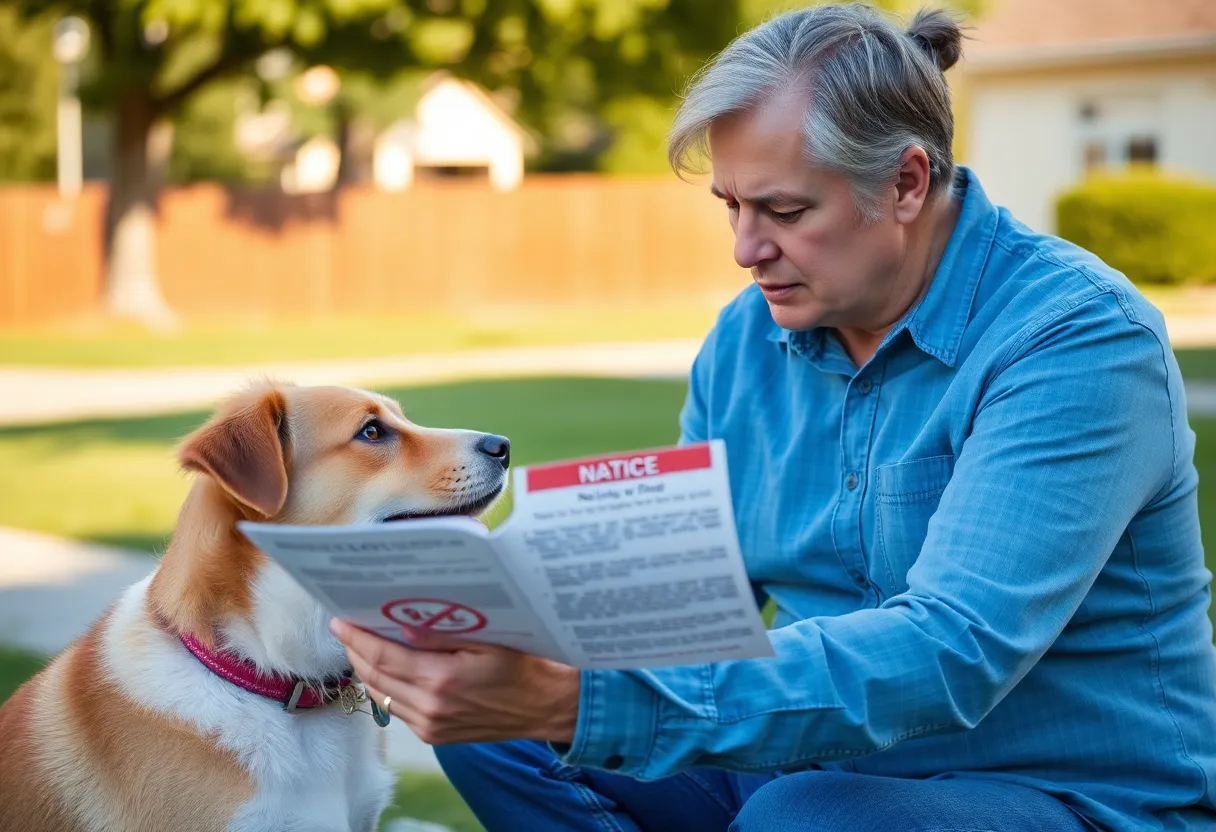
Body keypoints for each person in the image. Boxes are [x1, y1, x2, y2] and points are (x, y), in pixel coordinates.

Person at [329, 4, 1216, 830]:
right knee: (501, 727)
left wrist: (580, 697)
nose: (747, 249)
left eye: (784, 211)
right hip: (812, 763)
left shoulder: (1075, 342)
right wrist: (481, 625)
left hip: (1070, 795)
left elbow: (953, 655)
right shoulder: (749, 337)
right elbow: (676, 597)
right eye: (732, 206)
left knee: (804, 816)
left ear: (906, 181)